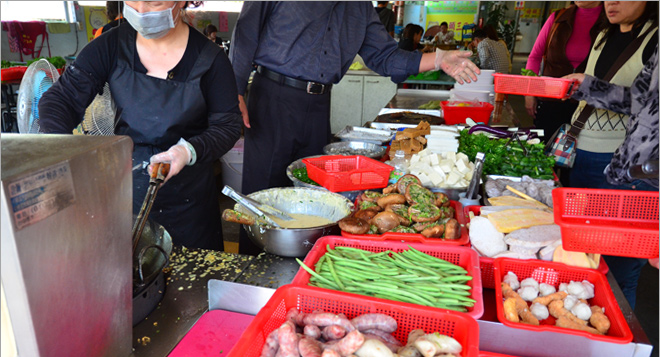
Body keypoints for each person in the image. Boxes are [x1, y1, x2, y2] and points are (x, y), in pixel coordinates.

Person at [229, 1, 478, 253]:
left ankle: (305, 274)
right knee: (260, 195)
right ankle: (248, 278)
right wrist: (235, 91)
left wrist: (439, 58)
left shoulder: (359, 7)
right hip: (272, 97)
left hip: (319, 104)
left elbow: (385, 57)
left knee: (316, 197)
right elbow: (246, 32)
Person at [39, 1, 243, 251]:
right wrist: (63, 158)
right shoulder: (110, 46)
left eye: (154, 1)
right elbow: (60, 100)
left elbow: (227, 125)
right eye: (132, 1)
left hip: (190, 206)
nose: (141, 11)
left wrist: (187, 151)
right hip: (127, 198)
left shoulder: (211, 59)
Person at [564, 44, 658, 309]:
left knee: (620, 275)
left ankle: (621, 339)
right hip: (628, 173)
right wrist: (588, 85)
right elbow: (640, 100)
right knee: (602, 265)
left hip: (650, 183)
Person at [567, 1, 657, 190]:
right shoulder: (603, 33)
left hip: (616, 153)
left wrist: (589, 87)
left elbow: (645, 102)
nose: (611, 2)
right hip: (578, 144)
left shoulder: (653, 38)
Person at [524, 2, 604, 141]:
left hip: (589, 104)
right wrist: (529, 92)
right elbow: (535, 57)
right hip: (551, 101)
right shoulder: (558, 18)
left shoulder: (611, 22)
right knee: (544, 149)